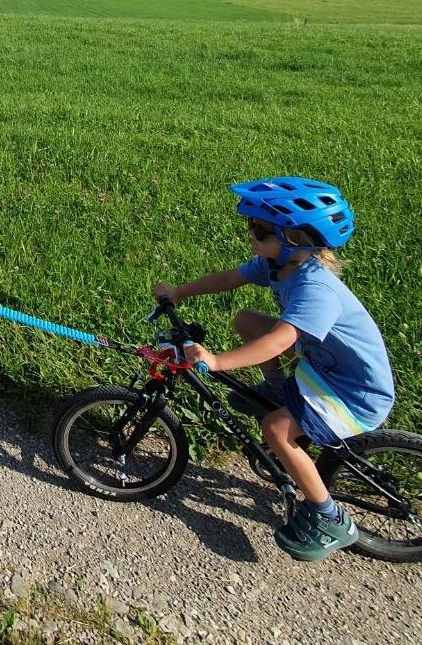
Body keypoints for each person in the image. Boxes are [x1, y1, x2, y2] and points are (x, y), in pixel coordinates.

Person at [153, 177, 395, 562]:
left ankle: (328, 516)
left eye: (260, 231)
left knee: (276, 429)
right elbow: (230, 278)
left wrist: (216, 361)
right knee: (247, 319)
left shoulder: (316, 289)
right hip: (324, 367)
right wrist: (178, 293)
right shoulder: (279, 265)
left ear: (294, 239)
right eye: (252, 228)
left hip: (354, 393)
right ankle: (276, 388)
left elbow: (279, 341)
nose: (251, 236)